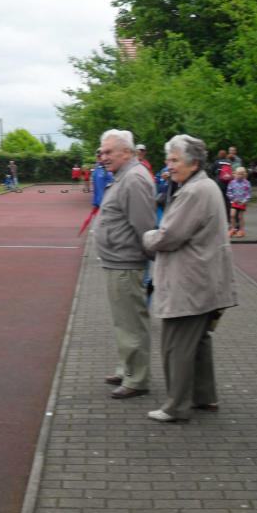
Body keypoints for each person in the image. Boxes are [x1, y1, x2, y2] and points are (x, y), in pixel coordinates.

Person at [143, 134, 237, 422]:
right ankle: (204, 396)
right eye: (168, 159)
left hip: (189, 282)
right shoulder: (206, 186)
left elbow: (168, 236)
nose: (169, 165)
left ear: (194, 163)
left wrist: (147, 237)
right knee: (198, 342)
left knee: (176, 345)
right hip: (204, 280)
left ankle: (176, 406)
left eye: (174, 160)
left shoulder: (193, 192)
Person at [96, 129, 156, 399]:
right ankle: (127, 369)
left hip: (127, 263)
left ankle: (137, 378)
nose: (103, 157)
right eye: (102, 152)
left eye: (109, 152)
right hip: (118, 262)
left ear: (127, 152)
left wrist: (148, 259)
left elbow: (144, 226)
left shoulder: (134, 179)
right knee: (123, 322)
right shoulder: (124, 176)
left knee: (131, 323)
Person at [226, 167, 251, 238]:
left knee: (240, 217)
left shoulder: (247, 183)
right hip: (234, 201)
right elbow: (229, 192)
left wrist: (244, 201)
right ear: (235, 174)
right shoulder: (232, 182)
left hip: (242, 202)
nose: (240, 175)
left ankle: (241, 230)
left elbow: (248, 194)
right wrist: (233, 199)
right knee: (232, 215)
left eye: (242, 174)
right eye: (238, 174)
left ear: (244, 174)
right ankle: (233, 229)